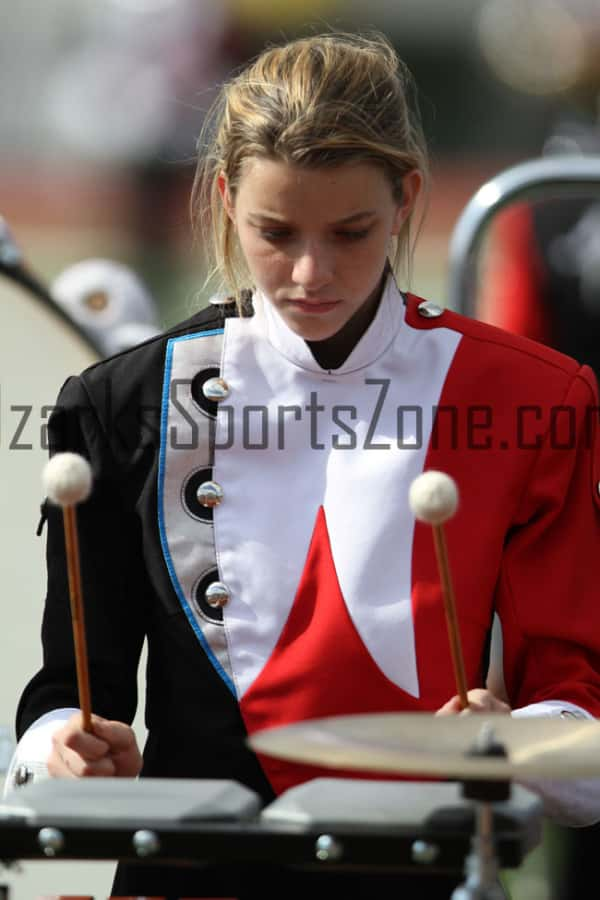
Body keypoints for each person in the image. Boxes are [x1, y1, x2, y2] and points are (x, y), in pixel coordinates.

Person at [5, 31, 600, 900]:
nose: (311, 274)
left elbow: (578, 716)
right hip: (187, 880)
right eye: (275, 232)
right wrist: (61, 743)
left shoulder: (532, 398)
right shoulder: (119, 405)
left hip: (422, 874)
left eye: (351, 232)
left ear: (407, 199)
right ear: (223, 197)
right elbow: (63, 691)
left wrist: (519, 740)